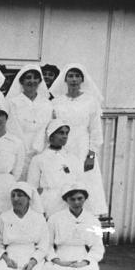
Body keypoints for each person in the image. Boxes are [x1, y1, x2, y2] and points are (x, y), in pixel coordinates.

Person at [49, 63, 108, 217]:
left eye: (77, 76)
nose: (74, 79)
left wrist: (91, 155)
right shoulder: (56, 102)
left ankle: (85, 221)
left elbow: (95, 130)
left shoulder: (91, 101)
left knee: (84, 179)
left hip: (82, 147)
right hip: (63, 146)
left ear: (82, 79)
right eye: (70, 76)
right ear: (65, 79)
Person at [6, 64, 53, 180]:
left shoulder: (47, 104)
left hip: (40, 148)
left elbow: (48, 127)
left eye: (35, 78)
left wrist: (39, 147)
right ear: (21, 81)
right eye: (28, 78)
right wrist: (23, 148)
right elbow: (12, 127)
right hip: (19, 148)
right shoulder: (13, 103)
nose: (32, 81)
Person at [27, 120, 83, 216]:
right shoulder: (39, 159)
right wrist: (39, 210)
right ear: (51, 135)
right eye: (61, 133)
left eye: (66, 133)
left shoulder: (73, 158)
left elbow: (79, 182)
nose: (65, 136)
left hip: (68, 203)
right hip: (48, 204)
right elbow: (32, 188)